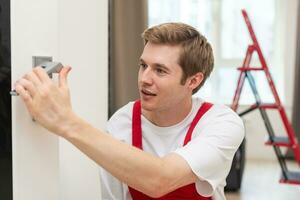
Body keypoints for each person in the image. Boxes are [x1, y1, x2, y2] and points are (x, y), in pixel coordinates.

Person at [14, 22, 244, 200]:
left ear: (193, 80)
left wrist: (66, 121)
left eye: (160, 71)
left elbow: (161, 179)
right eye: (143, 65)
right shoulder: (122, 123)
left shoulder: (221, 123)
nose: (144, 79)